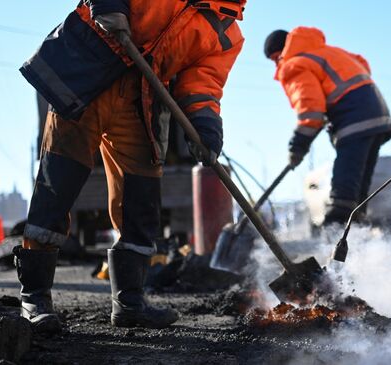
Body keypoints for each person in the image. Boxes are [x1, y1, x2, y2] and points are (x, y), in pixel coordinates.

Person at [17, 0, 245, 332]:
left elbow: (203, 85)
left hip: (142, 99)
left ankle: (129, 303)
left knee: (140, 200)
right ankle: (34, 297)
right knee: (58, 186)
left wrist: (205, 130)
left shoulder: (226, 32)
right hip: (89, 71)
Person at [264, 27, 391, 226]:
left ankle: (333, 247)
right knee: (357, 197)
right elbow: (362, 66)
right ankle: (361, 247)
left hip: (354, 120)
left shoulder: (294, 64)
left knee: (342, 198)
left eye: (276, 59)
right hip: (378, 115)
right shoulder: (329, 52)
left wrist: (297, 146)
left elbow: (311, 112)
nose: (277, 65)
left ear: (283, 51)